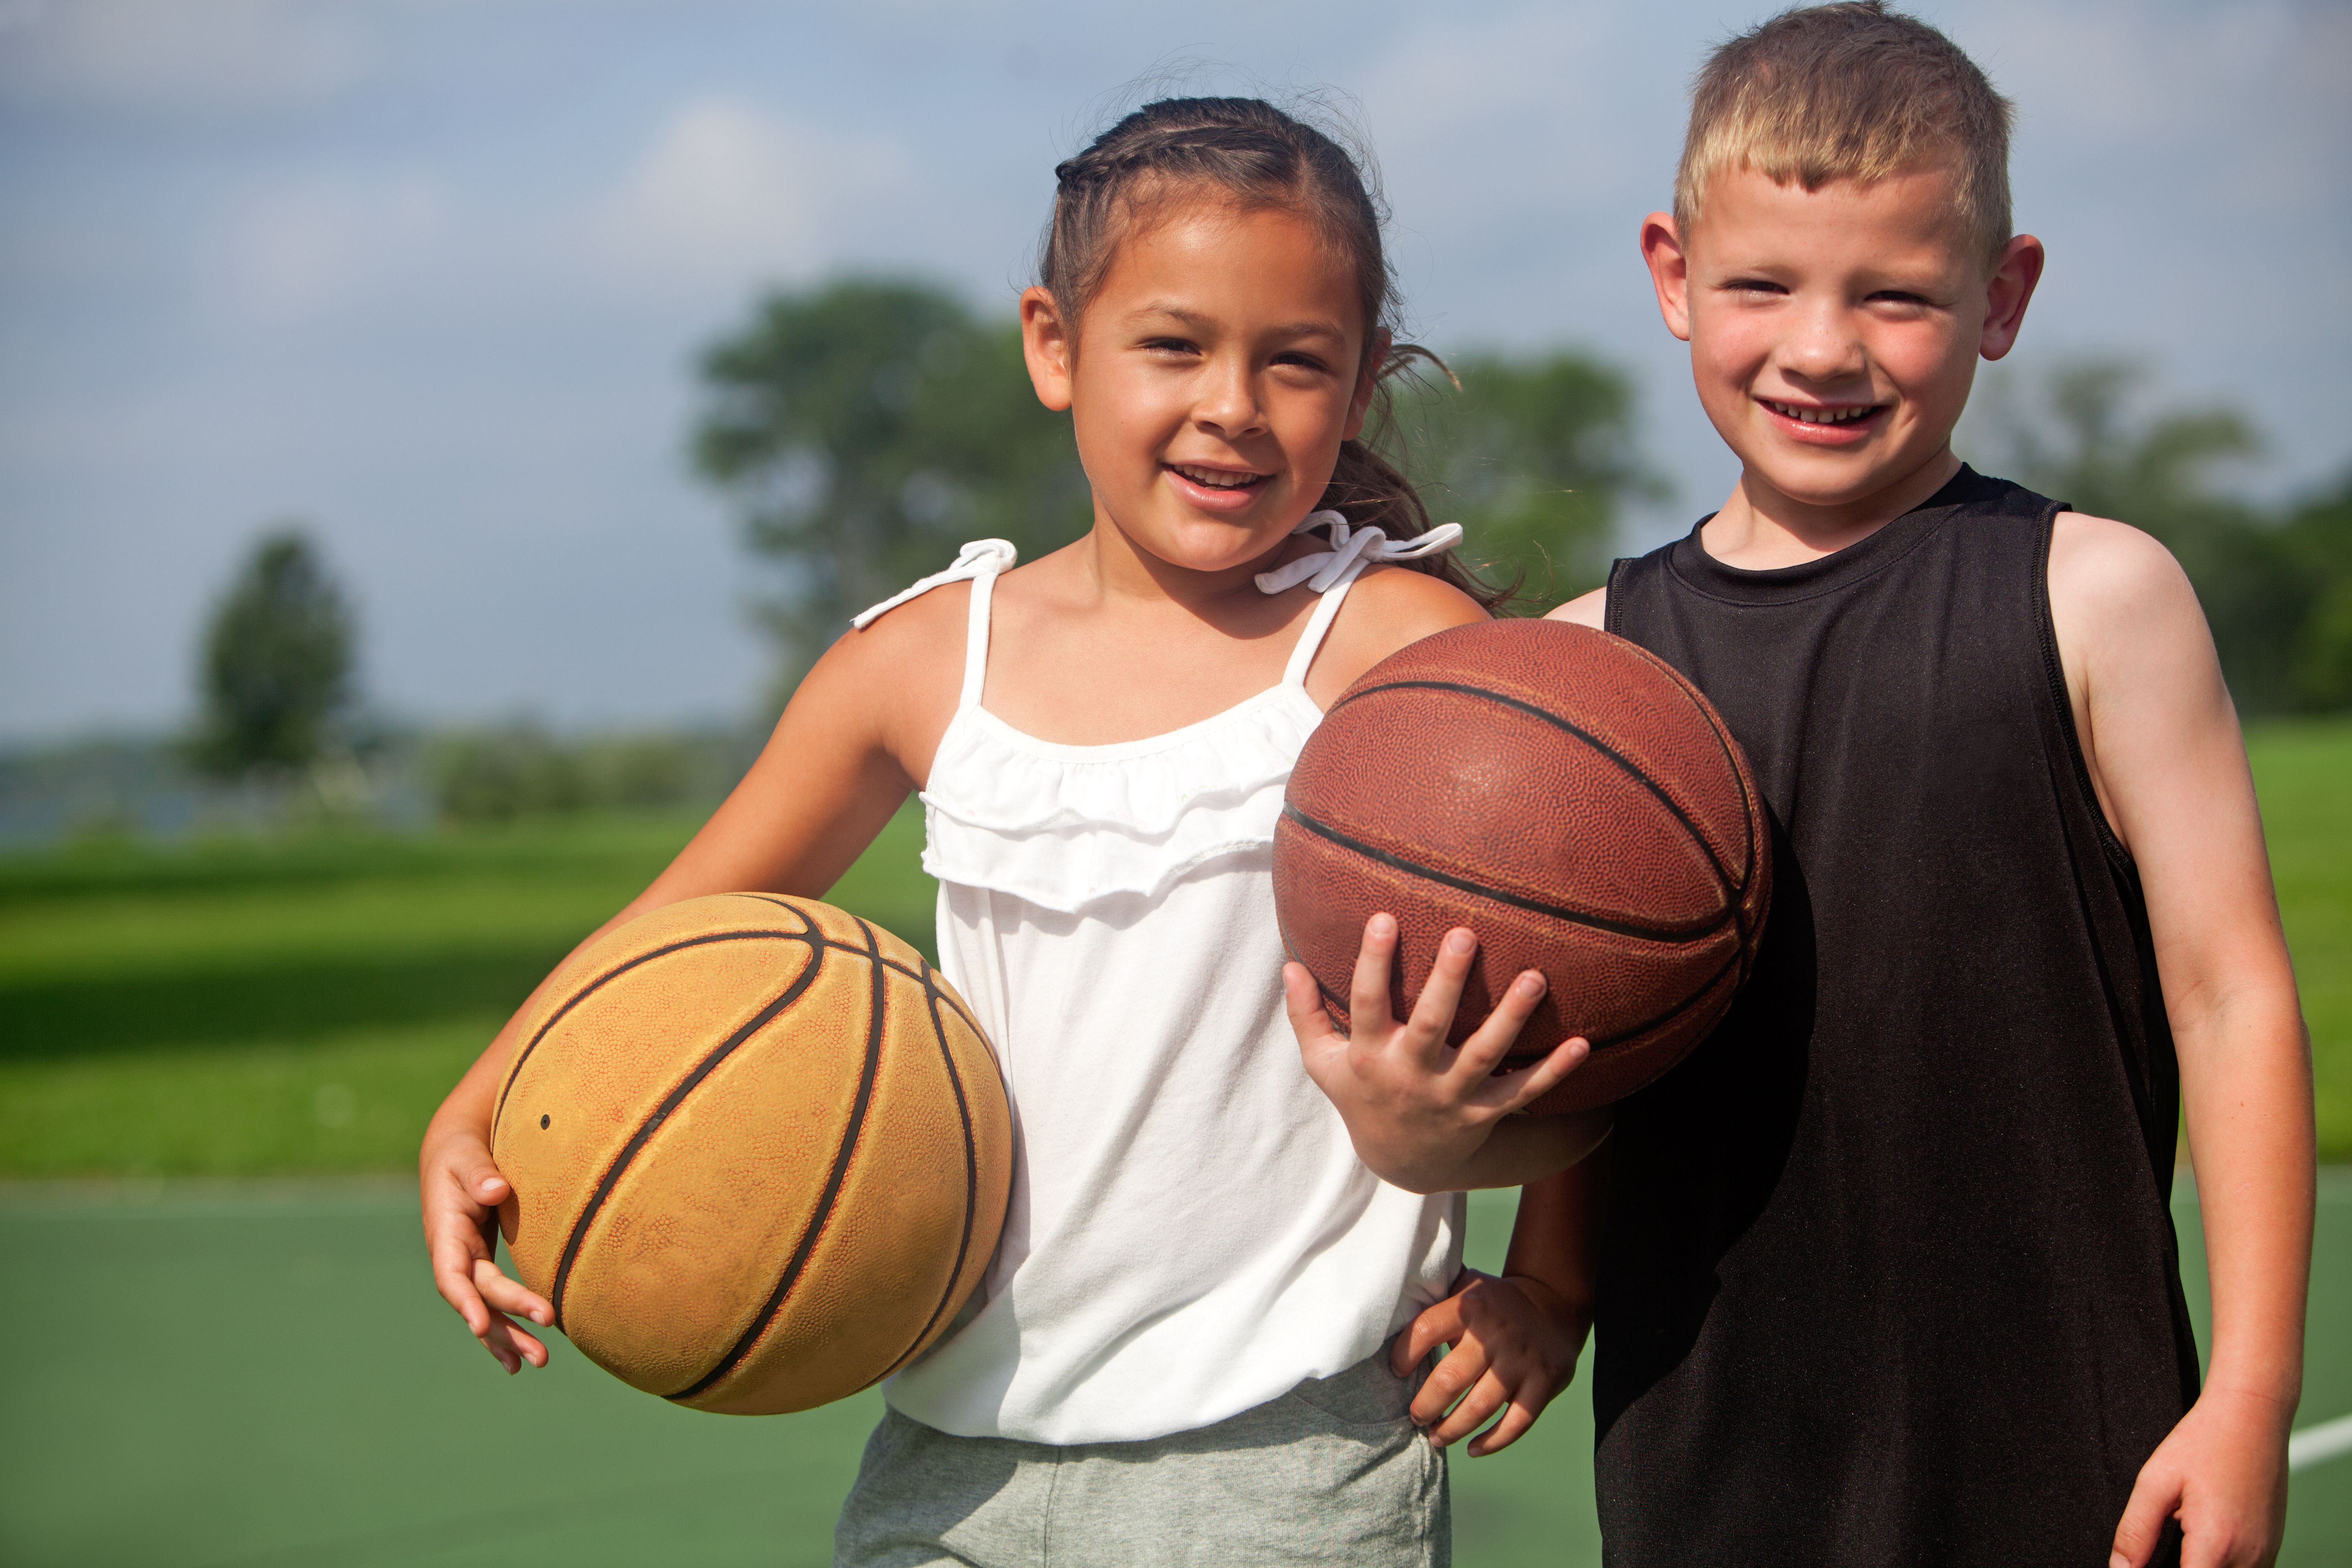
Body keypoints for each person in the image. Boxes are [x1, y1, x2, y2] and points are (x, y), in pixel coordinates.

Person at [416, 96, 1606, 1568]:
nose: (1232, 403)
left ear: (1361, 386)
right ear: (1055, 345)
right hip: (953, 1469)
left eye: (1295, 361)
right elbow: (666, 939)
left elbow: (1591, 957)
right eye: (1173, 346)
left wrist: (1549, 1291)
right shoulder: (922, 663)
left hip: (1289, 1469)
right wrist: (477, 1107)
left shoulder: (1396, 649)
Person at [1291, 6, 2315, 1565]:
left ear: (2003, 295)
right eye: (1762, 284)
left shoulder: (2099, 596)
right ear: (1674, 276)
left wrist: (2247, 1395)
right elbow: (1602, 1038)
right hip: (1713, 1458)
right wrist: (1550, 1287)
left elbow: (2232, 997)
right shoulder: (1593, 661)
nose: (1823, 347)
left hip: (2073, 1452)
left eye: (1897, 296)